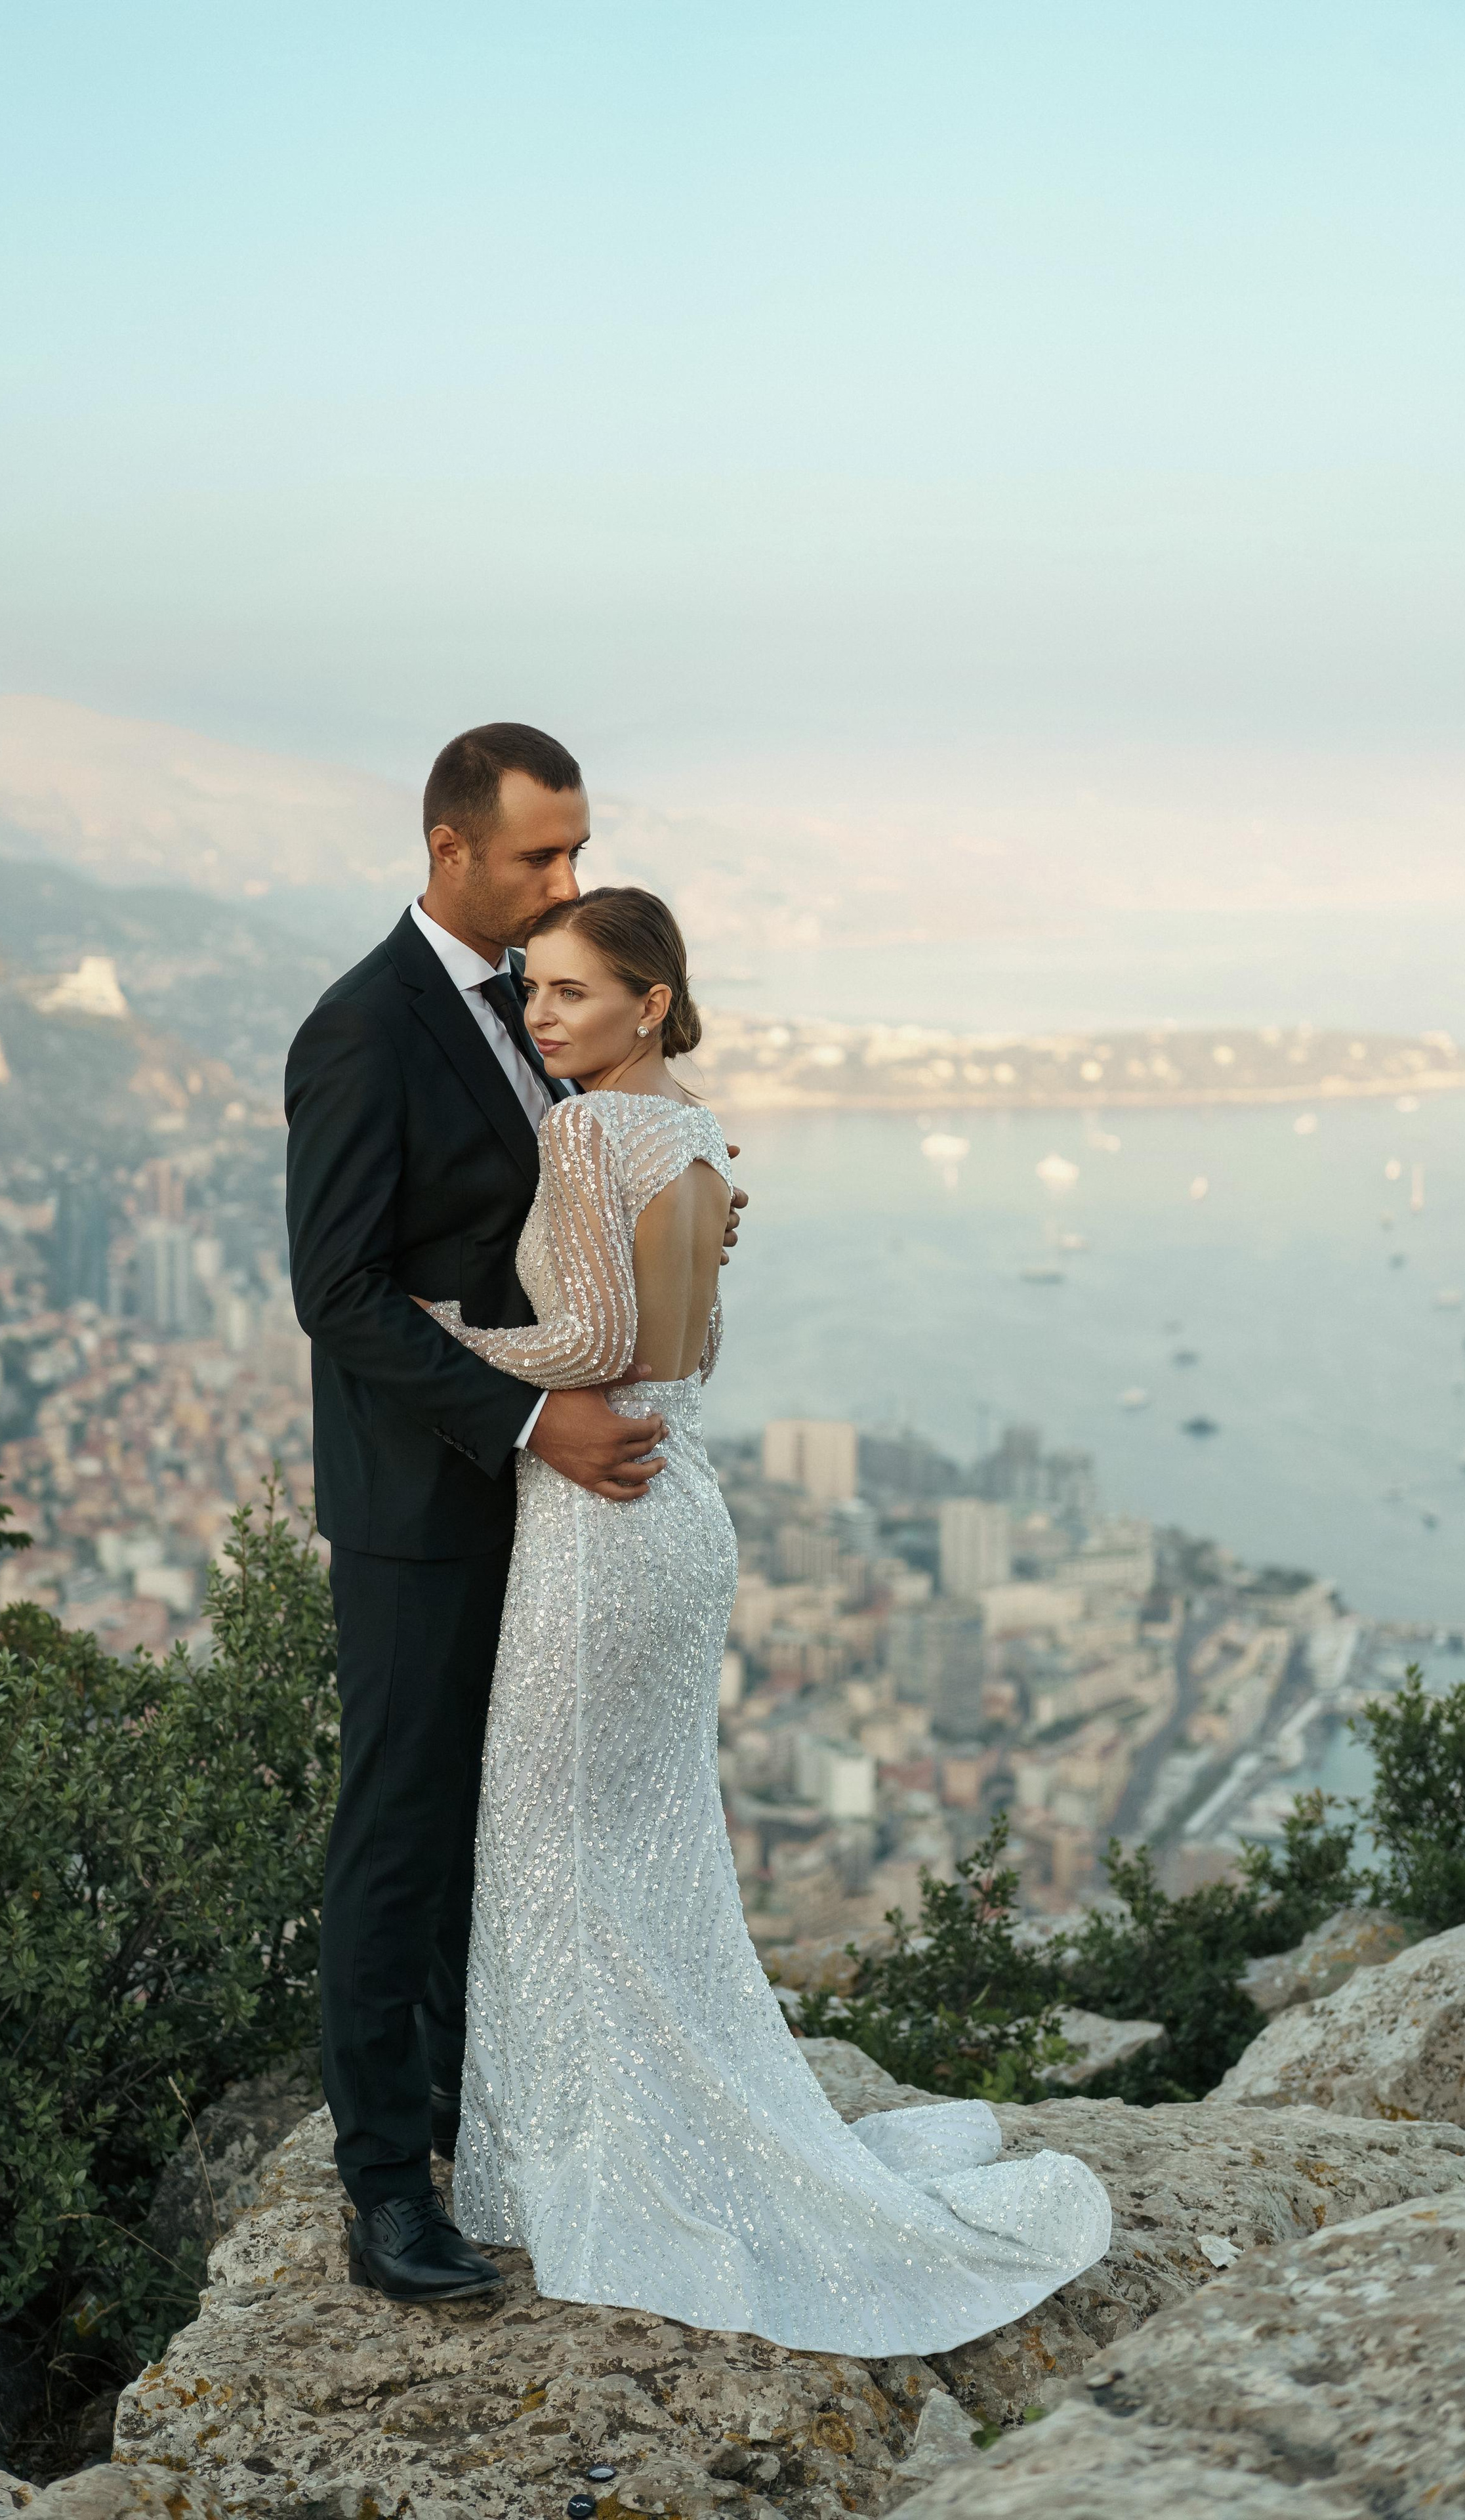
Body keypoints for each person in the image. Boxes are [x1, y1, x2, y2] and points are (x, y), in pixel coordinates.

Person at [425, 885, 1113, 2355]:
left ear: (647, 1004)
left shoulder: (586, 1132)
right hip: (679, 1504)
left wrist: (447, 1335)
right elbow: (693, 1344)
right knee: (644, 1837)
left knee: (548, 1837)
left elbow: (599, 1345)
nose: (538, 1018)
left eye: (566, 995)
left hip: (600, 1518)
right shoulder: (694, 1137)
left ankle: (597, 2167)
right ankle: (669, 2131)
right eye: (530, 993)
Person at [284, 726, 745, 2305]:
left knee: (519, 1829)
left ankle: (509, 2133)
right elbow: (335, 1290)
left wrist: (685, 1225)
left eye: (578, 850)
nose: (570, 881)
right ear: (447, 850)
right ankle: (383, 2191)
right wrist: (533, 1414)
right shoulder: (361, 1028)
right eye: (540, 858)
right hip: (428, 1498)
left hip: (555, 1511)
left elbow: (570, 1231)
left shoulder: (538, 1015)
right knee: (400, 1832)